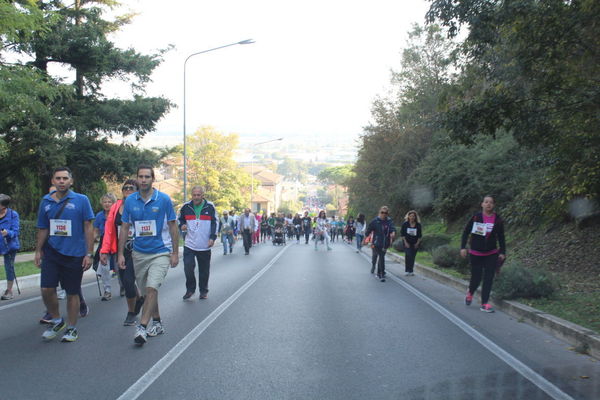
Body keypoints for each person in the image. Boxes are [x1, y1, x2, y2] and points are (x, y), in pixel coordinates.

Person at [118, 165, 179, 346]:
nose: (143, 180)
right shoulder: (130, 202)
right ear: (137, 179)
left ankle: (142, 327)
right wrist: (120, 253)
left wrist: (175, 252)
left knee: (152, 288)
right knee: (147, 292)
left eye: (147, 177)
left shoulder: (164, 200)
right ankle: (158, 323)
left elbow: (173, 226)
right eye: (140, 177)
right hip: (139, 252)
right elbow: (125, 228)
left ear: (153, 179)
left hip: (160, 251)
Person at [34, 167, 95, 342]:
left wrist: (89, 253)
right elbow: (43, 228)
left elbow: (88, 227)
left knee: (72, 292)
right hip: (52, 252)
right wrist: (38, 250)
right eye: (58, 178)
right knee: (46, 289)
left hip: (75, 253)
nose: (61, 181)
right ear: (53, 181)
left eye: (65, 178)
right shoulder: (45, 201)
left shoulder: (81, 200)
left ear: (71, 181)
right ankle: (56, 319)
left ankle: (72, 328)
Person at [100, 179, 145, 326]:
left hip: (138, 248)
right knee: (125, 282)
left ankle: (131, 313)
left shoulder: (143, 205)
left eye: (131, 188)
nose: (127, 190)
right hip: (120, 249)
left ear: (137, 190)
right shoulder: (116, 207)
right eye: (125, 188)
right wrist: (104, 251)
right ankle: (138, 299)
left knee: (128, 280)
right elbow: (109, 231)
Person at [461, 195, 506, 313]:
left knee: (488, 278)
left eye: (491, 202)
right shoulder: (476, 217)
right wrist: (463, 247)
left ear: (493, 205)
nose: (488, 204)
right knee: (476, 277)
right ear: (482, 204)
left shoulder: (498, 219)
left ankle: (484, 303)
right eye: (486, 202)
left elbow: (501, 237)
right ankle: (470, 292)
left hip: (491, 253)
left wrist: (502, 252)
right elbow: (466, 232)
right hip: (476, 252)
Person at [179, 186, 217, 301]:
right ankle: (190, 290)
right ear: (192, 195)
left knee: (204, 270)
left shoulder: (210, 207)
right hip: (189, 244)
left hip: (204, 244)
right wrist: (182, 225)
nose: (196, 197)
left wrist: (212, 238)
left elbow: (215, 223)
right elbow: (180, 219)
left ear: (202, 195)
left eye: (198, 195)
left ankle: (203, 291)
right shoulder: (186, 206)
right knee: (188, 267)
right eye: (194, 195)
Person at [93, 193, 117, 300]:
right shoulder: (99, 216)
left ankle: (123, 287)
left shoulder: (117, 214)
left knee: (119, 268)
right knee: (104, 267)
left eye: (109, 202)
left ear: (113, 203)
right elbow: (96, 231)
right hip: (104, 242)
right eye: (105, 202)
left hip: (116, 241)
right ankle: (107, 291)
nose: (107, 204)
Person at [364, 206, 396, 282]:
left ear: (387, 214)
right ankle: (374, 266)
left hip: (385, 243)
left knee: (381, 257)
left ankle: (380, 273)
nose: (384, 214)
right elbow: (368, 231)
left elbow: (392, 229)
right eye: (382, 212)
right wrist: (364, 240)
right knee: (376, 256)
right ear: (379, 212)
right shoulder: (375, 221)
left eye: (386, 213)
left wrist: (393, 233)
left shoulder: (389, 221)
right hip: (376, 242)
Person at [0, 194, 20, 300]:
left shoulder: (13, 215)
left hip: (9, 245)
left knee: (9, 268)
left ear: (3, 206)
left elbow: (16, 232)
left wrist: (7, 233)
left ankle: (9, 291)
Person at [401, 210, 422, 276]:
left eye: (413, 216)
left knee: (412, 256)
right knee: (408, 255)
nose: (412, 217)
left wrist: (417, 243)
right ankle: (407, 270)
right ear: (408, 217)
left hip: (415, 243)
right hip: (407, 242)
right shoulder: (405, 224)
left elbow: (419, 235)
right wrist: (405, 242)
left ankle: (411, 270)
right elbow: (402, 234)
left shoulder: (418, 225)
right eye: (411, 216)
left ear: (415, 217)